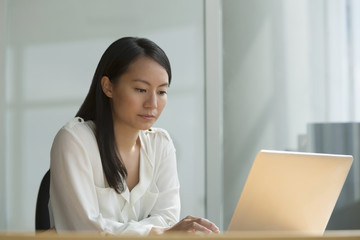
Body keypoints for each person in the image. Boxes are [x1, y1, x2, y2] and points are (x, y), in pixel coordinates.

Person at [49, 37, 219, 235]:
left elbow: (168, 220)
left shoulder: (160, 144)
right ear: (108, 87)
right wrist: (157, 233)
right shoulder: (75, 140)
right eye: (141, 89)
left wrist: (156, 232)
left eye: (162, 91)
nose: (152, 103)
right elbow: (84, 230)